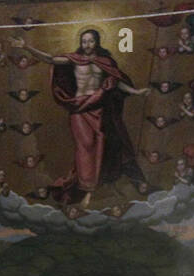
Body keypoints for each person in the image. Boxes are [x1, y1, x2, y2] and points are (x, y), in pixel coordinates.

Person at [12, 30, 150, 207]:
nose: (87, 45)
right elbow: (50, 59)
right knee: (85, 148)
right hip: (80, 110)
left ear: (97, 42)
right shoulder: (74, 59)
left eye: (90, 41)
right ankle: (86, 188)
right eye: (84, 41)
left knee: (100, 146)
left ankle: (94, 187)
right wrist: (26, 47)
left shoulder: (105, 62)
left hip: (99, 109)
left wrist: (136, 92)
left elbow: (117, 82)